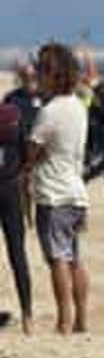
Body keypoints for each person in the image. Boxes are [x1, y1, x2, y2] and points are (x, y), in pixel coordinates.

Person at [28, 42, 90, 335]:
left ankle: (64, 321)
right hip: (77, 192)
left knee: (58, 259)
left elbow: (32, 152)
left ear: (52, 75)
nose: (37, 78)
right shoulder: (78, 106)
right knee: (74, 258)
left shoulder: (49, 111)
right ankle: (81, 319)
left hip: (53, 194)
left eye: (41, 72)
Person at [0, 98, 33, 334]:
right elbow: (24, 155)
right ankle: (27, 317)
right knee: (18, 255)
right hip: (10, 189)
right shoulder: (12, 115)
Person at [4, 60, 41, 226]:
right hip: (19, 147)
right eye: (26, 76)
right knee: (23, 185)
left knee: (37, 186)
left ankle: (36, 217)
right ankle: (28, 217)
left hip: (39, 148)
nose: (29, 80)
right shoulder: (12, 97)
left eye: (32, 76)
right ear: (21, 77)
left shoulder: (44, 96)